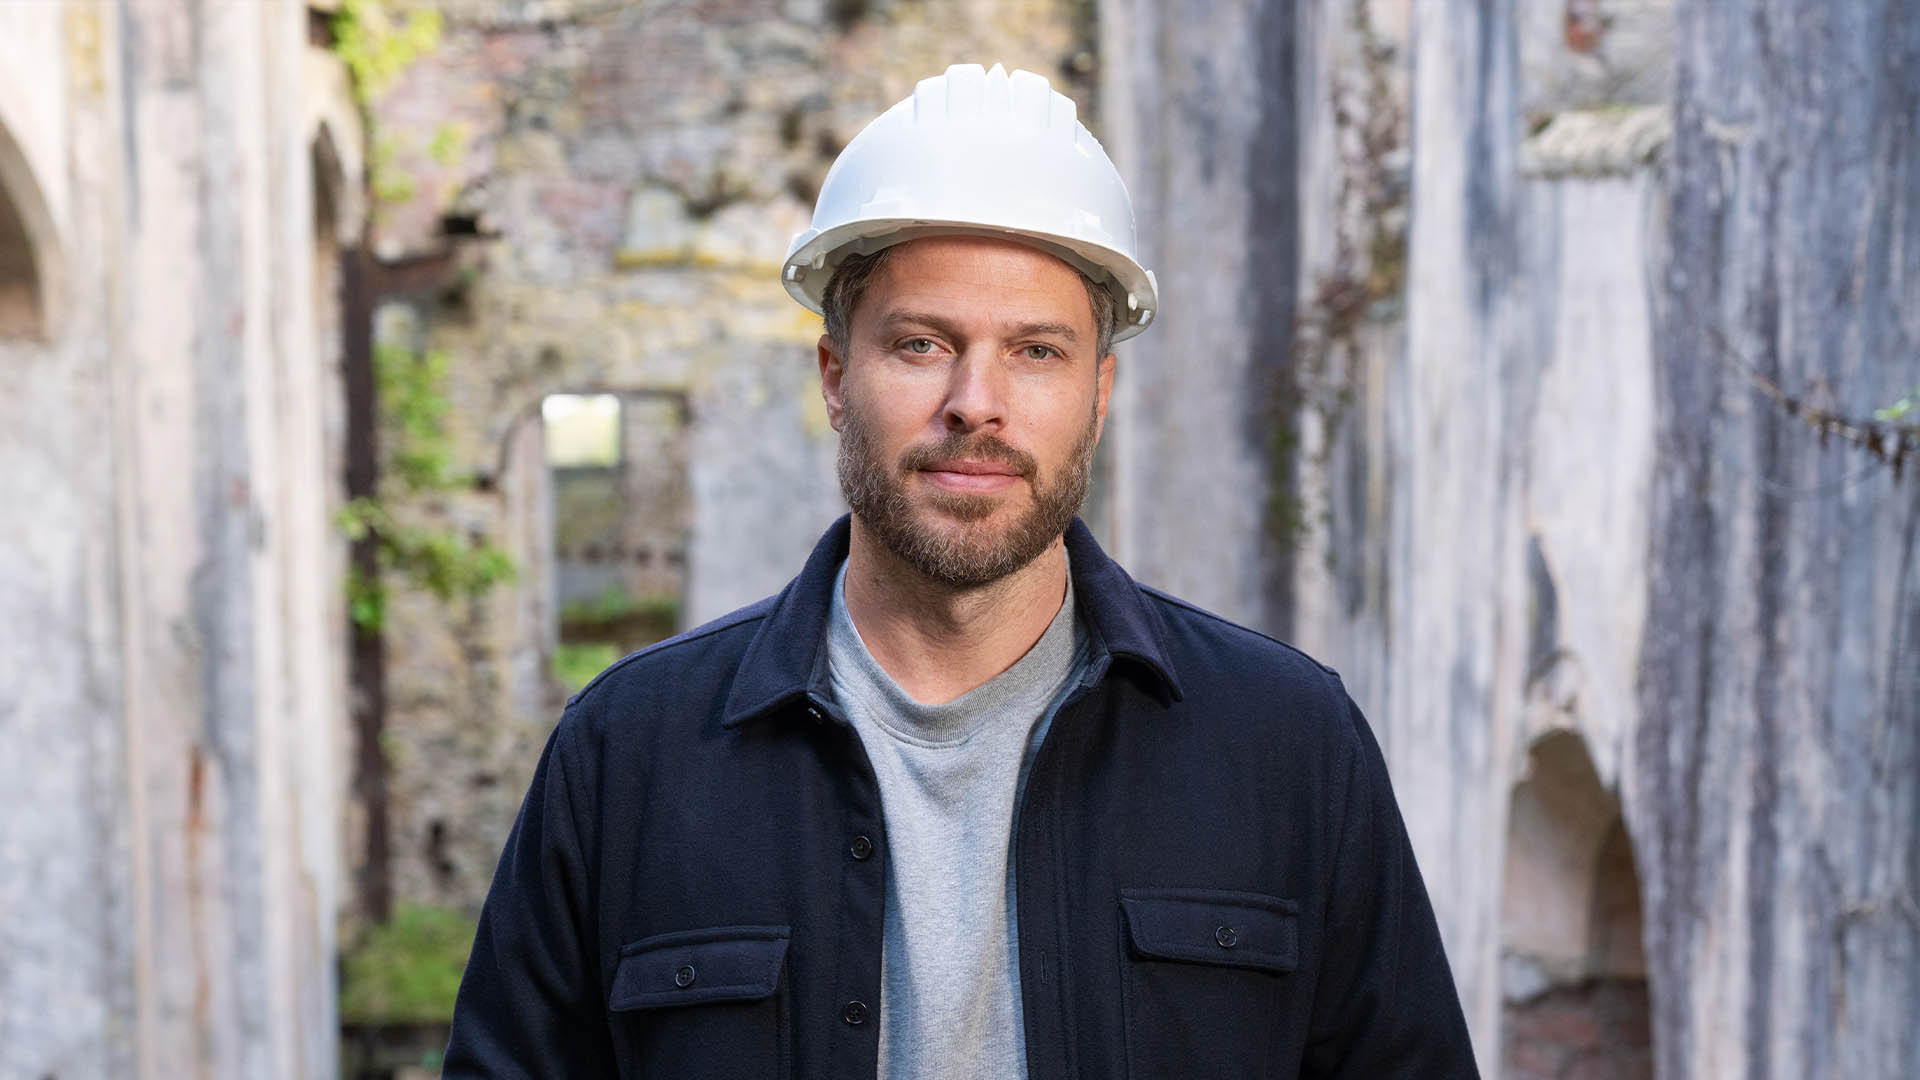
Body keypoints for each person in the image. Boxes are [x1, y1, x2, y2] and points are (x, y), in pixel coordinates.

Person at [443, 63, 1477, 1079]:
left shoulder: (1287, 746)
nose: (976, 401)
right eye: (924, 343)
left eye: (1036, 352)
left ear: (1099, 392)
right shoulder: (629, 755)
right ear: (837, 376)